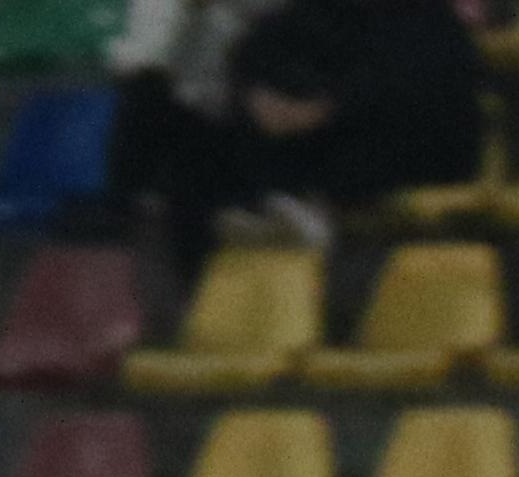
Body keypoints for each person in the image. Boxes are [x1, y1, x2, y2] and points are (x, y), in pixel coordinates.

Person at [109, 0, 488, 275]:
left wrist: (325, 110)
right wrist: (260, 97)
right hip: (305, 142)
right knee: (177, 130)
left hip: (406, 150)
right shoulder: (323, 14)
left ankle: (295, 209)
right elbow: (263, 49)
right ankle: (175, 261)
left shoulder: (428, 21)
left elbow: (424, 91)